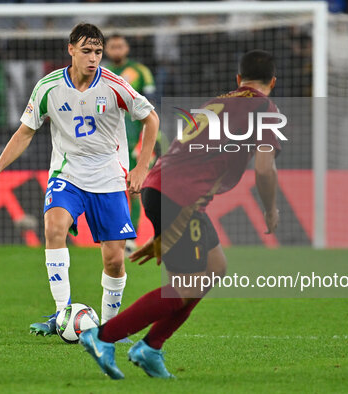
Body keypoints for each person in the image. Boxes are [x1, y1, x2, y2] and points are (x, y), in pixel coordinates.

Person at [79, 50, 281, 379]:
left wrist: (165, 230)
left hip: (162, 187)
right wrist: (271, 208)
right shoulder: (264, 108)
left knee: (214, 267)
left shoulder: (218, 102)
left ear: (238, 80)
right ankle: (102, 337)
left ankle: (150, 348)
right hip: (178, 198)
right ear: (273, 82)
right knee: (186, 285)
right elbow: (264, 166)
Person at [0, 23, 159, 337]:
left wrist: (141, 167)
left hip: (109, 177)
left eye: (98, 52)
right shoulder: (48, 87)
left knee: (115, 259)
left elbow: (151, 118)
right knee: (54, 227)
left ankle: (109, 326)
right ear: (71, 49)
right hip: (68, 173)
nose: (93, 58)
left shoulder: (115, 85)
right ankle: (63, 313)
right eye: (87, 51)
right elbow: (26, 131)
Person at [104, 34, 156, 255]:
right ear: (106, 49)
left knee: (134, 188)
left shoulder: (140, 71)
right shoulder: (99, 72)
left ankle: (131, 235)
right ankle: (111, 233)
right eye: (112, 45)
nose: (116, 49)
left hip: (133, 138)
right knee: (107, 188)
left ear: (127, 48)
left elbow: (153, 109)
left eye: (120, 45)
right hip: (105, 139)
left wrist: (147, 141)